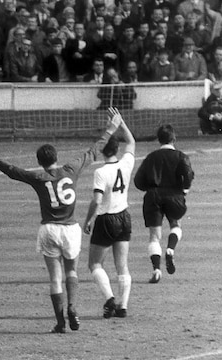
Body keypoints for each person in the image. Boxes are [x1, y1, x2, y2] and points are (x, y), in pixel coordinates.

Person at [0, 110, 121, 333]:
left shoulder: (38, 177)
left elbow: (12, 171)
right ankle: (72, 307)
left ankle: (60, 322)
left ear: (40, 163)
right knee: (72, 272)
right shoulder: (71, 169)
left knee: (55, 277)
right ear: (56, 157)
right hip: (70, 228)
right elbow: (93, 150)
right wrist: (111, 128)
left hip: (49, 229)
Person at [83, 108, 136, 319]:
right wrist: (121, 123)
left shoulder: (101, 172)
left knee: (94, 264)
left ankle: (109, 298)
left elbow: (96, 201)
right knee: (122, 265)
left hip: (106, 219)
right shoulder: (126, 163)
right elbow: (131, 142)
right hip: (124, 217)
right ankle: (123, 306)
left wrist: (88, 220)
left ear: (103, 151)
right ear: (116, 149)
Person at [134, 124, 194, 284]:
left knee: (154, 236)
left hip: (153, 196)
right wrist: (184, 190)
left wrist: (151, 189)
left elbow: (138, 182)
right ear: (174, 138)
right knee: (176, 225)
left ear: (158, 139)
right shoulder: (181, 156)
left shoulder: (151, 157)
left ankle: (156, 270)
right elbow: (188, 176)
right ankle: (170, 249)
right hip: (174, 195)